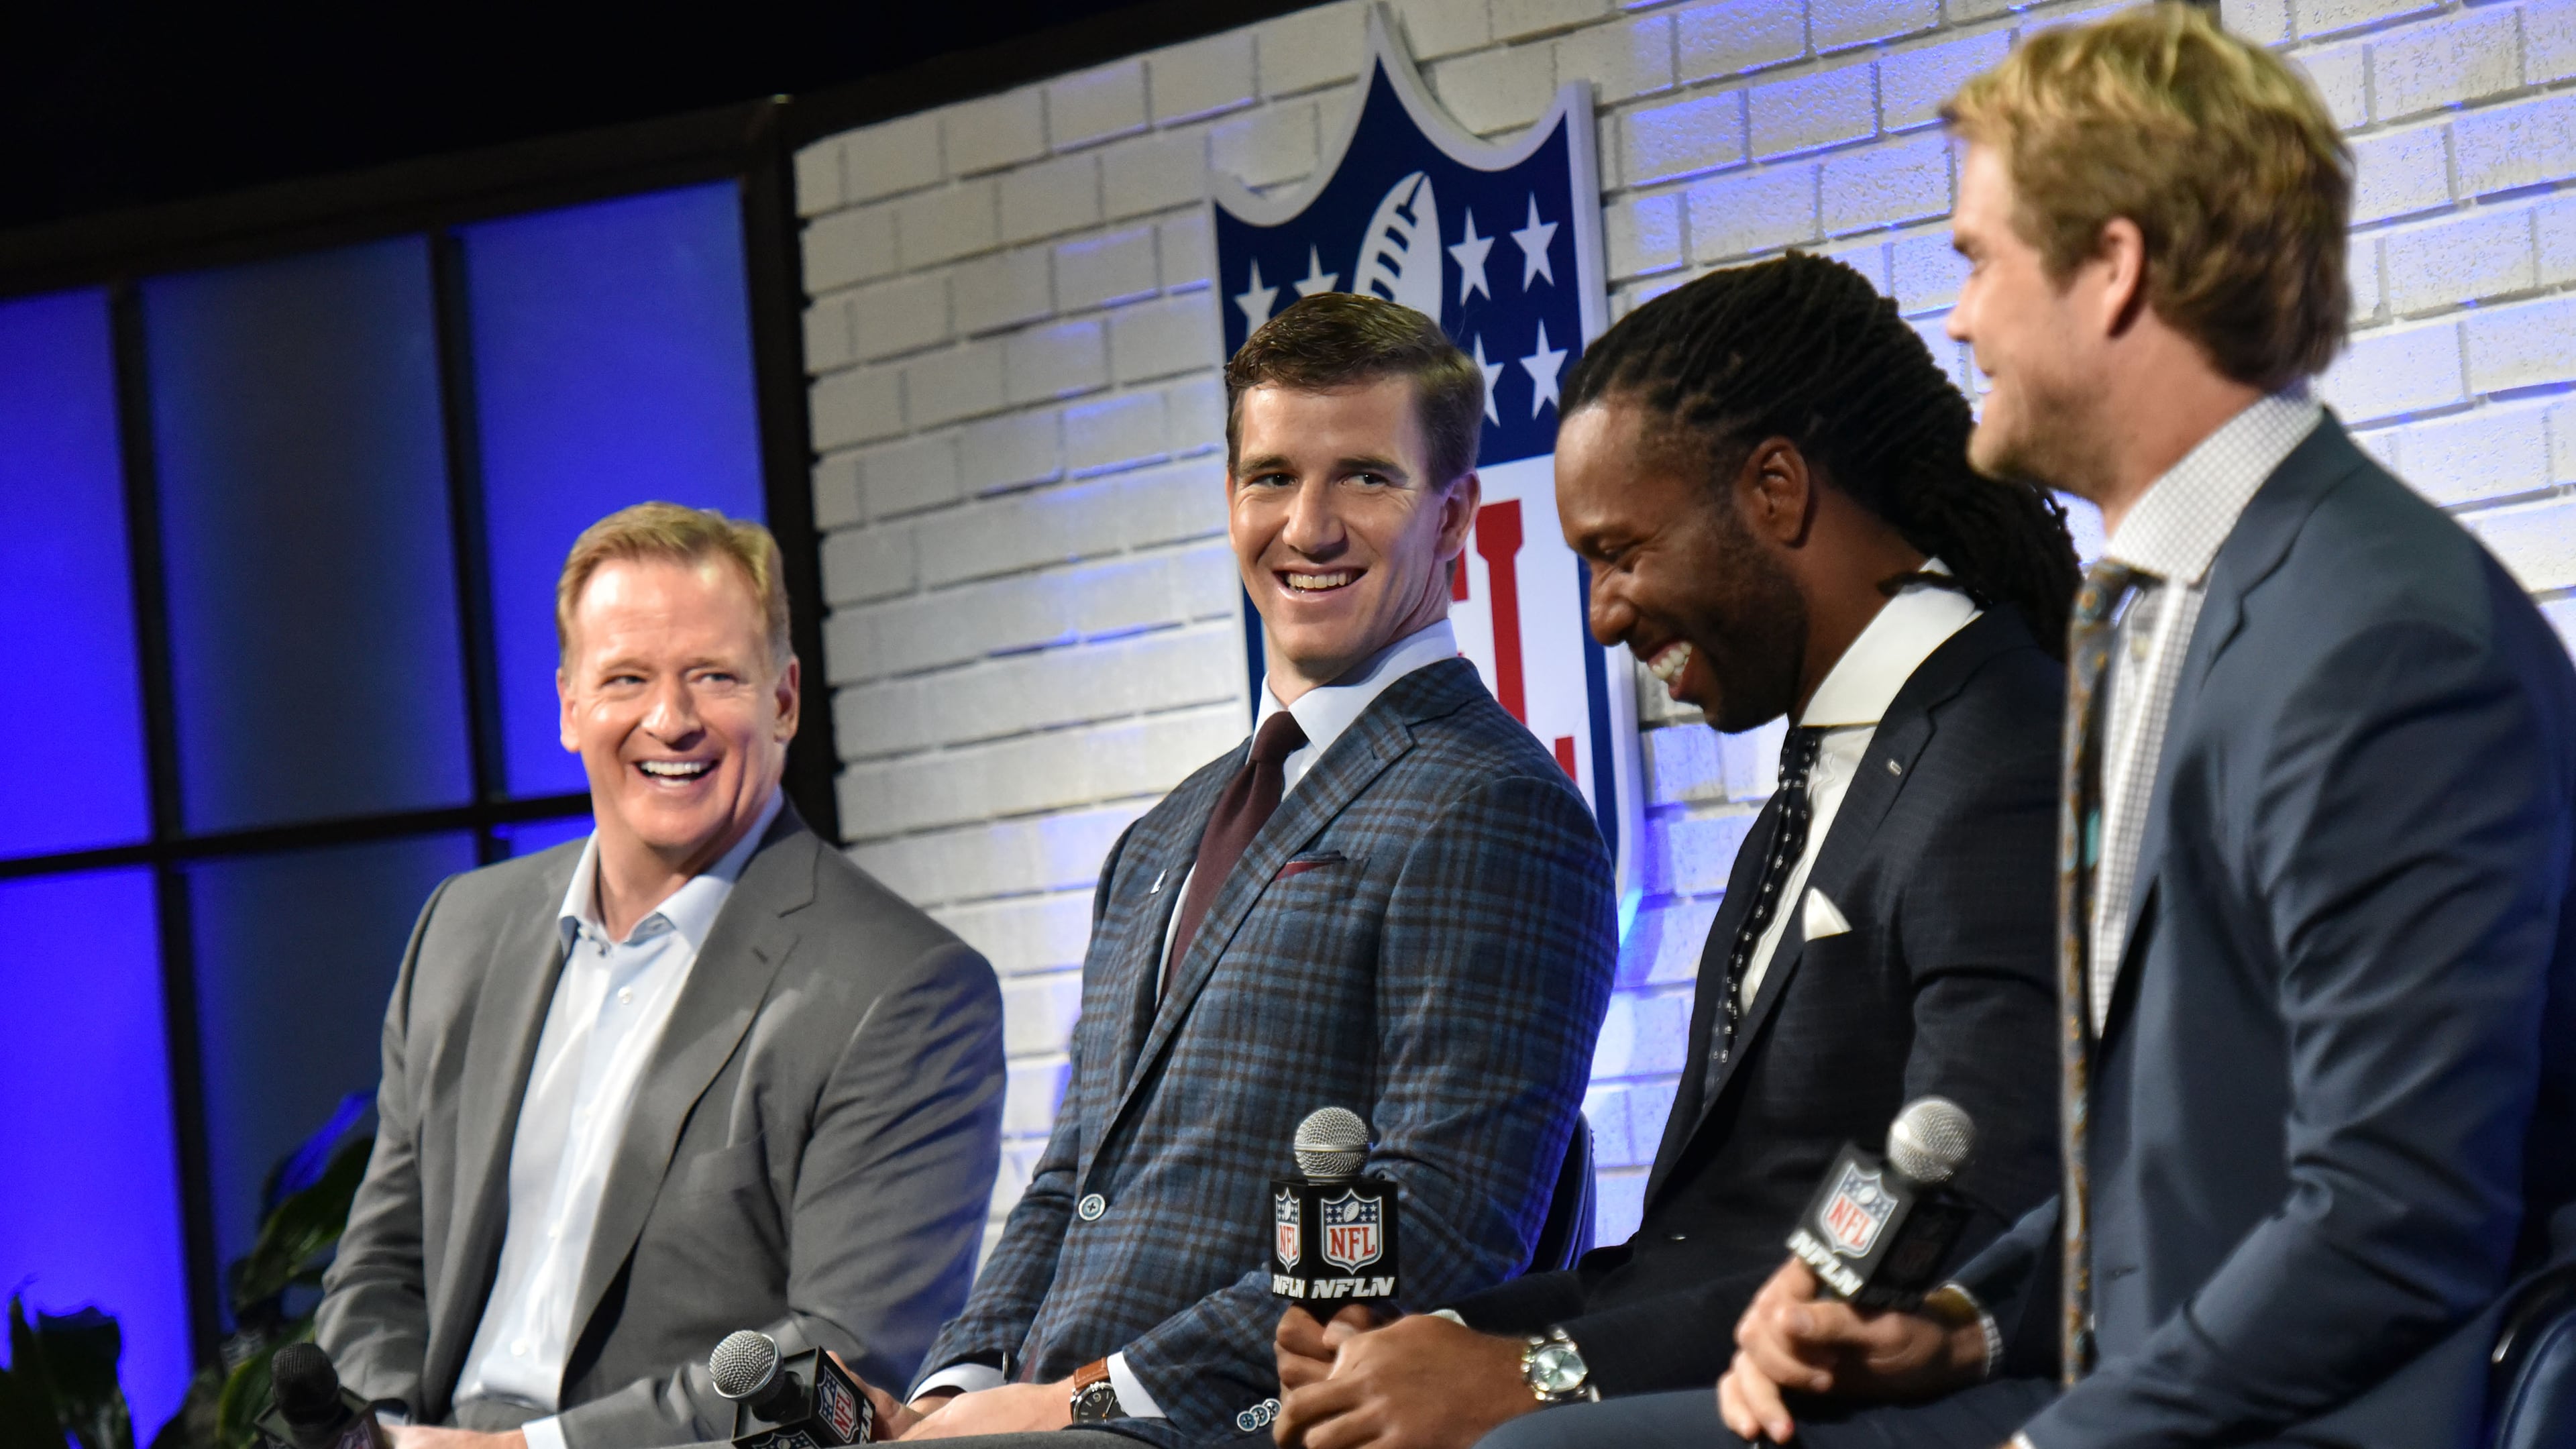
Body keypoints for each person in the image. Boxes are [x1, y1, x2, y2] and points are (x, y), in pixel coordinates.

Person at [1692, 7, 2576, 1446]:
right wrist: (1961, 1325)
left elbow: (2395, 1217)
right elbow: (2179, 1169)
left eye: (1977, 259)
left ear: (2114, 266)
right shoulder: (2159, 607)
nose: (1959, 315)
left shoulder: (2382, 643)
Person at [1271, 254, 2077, 1449]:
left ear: (1775, 490)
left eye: (1622, 552)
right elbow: (1705, 1248)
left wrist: (1539, 1376)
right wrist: (1433, 1339)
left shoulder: (2004, 755)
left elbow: (1961, 1217)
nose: (1601, 613)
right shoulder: (1818, 791)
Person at [849, 292, 1617, 1449]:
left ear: (1456, 517)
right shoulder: (1156, 839)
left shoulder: (1498, 806)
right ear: (1229, 500)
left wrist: (1070, 1405)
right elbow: (1071, 1180)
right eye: (1270, 478)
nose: (1309, 527)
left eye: (1365, 477)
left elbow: (1441, 1232)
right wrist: (955, 1394)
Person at [316, 504, 1006, 1449]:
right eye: (627, 679)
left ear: (785, 699)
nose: (670, 720)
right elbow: (380, 1263)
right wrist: (379, 1433)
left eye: (715, 677)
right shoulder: (461, 929)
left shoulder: (908, 987)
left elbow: (845, 1361)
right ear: (568, 707)